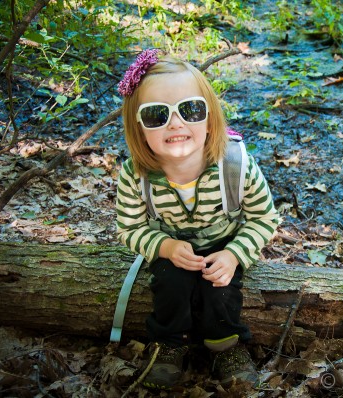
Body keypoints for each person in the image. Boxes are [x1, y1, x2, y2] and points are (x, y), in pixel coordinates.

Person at [115, 49, 279, 390]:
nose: (176, 123)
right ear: (138, 127)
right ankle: (168, 345)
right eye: (157, 115)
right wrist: (164, 246)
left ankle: (226, 348)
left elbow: (264, 218)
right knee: (169, 283)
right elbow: (129, 228)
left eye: (190, 109)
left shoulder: (235, 165)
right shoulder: (136, 175)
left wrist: (234, 254)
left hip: (224, 244)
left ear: (210, 118)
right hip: (172, 246)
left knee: (220, 289)